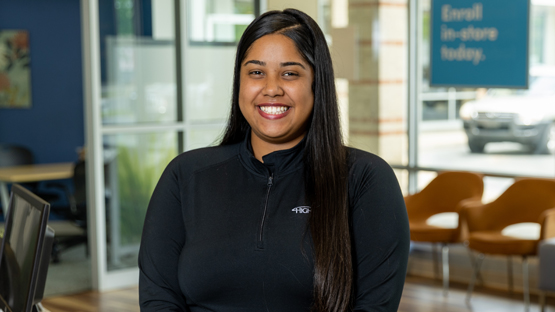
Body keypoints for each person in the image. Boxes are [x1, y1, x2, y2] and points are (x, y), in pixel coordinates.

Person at [138, 8, 410, 312]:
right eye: (256, 72)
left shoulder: (365, 179)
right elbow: (159, 298)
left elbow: (376, 306)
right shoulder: (185, 176)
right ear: (239, 83)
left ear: (316, 84)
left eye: (290, 73)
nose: (271, 89)